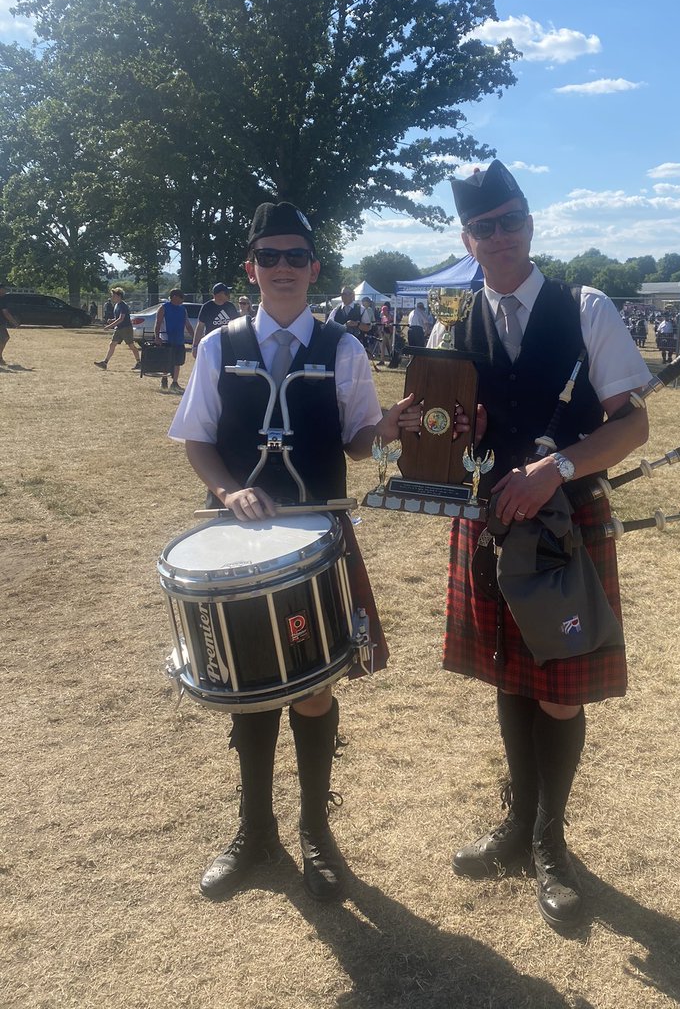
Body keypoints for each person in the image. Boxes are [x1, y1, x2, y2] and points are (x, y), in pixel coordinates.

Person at [168, 201, 413, 904]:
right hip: (239, 547)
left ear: (313, 269)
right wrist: (225, 491)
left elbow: (358, 439)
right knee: (249, 688)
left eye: (295, 257)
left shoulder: (344, 348)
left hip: (317, 542)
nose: (281, 268)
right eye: (268, 256)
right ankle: (255, 831)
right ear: (251, 268)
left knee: (311, 687)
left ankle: (315, 831)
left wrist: (386, 429)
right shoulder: (218, 345)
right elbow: (198, 440)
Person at [439, 161, 650, 931]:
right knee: (510, 677)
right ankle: (517, 830)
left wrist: (555, 467)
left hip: (567, 523)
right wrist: (452, 434)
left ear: (531, 222)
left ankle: (550, 843)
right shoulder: (455, 320)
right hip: (491, 524)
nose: (499, 237)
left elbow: (633, 426)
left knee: (560, 690)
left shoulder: (585, 306)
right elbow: (453, 423)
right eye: (484, 227)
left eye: (510, 220)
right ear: (468, 239)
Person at [154, 287, 194, 392]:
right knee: (166, 361)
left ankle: (175, 382)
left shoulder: (182, 309)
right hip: (167, 339)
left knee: (178, 362)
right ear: (174, 297)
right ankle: (164, 378)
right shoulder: (163, 307)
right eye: (181, 298)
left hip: (179, 340)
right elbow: (158, 323)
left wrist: (195, 338)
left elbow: (188, 325)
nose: (182, 300)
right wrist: (157, 337)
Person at [94, 288, 142, 370]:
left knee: (131, 346)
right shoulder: (116, 305)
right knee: (112, 344)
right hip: (119, 328)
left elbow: (121, 319)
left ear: (119, 296)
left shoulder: (123, 305)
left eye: (114, 295)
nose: (112, 297)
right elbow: (117, 318)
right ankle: (105, 363)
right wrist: (112, 320)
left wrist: (109, 326)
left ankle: (139, 362)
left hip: (126, 328)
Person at [0, 283, 18, 365]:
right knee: (4, 338)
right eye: (4, 289)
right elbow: (5, 312)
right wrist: (13, 321)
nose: (5, 291)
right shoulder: (2, 299)